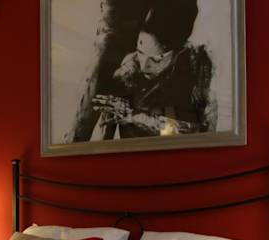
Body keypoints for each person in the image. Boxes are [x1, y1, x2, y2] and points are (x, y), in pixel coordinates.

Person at [92, 0, 216, 139]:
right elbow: (103, 139)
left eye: (156, 59)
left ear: (178, 51)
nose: (144, 66)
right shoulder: (128, 71)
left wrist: (138, 118)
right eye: (140, 52)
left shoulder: (199, 66)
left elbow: (207, 133)